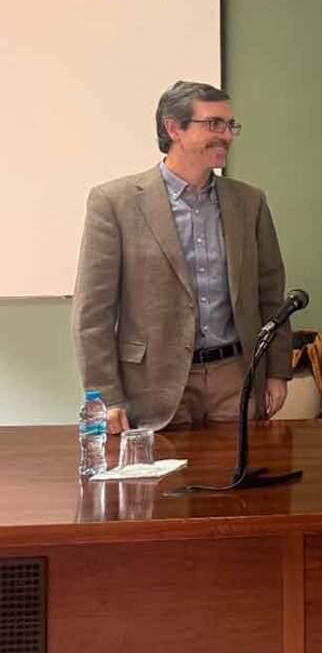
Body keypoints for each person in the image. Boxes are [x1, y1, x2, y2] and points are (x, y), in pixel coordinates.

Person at [71, 81, 291, 433]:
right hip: (152, 383)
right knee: (162, 472)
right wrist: (105, 397)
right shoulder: (114, 203)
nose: (226, 136)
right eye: (214, 124)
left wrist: (277, 372)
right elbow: (93, 313)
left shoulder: (250, 202)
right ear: (174, 128)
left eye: (230, 125)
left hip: (236, 377)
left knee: (243, 469)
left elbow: (271, 295)